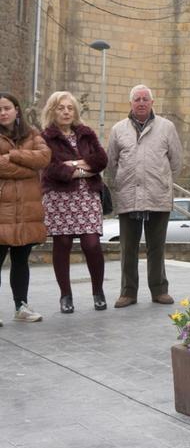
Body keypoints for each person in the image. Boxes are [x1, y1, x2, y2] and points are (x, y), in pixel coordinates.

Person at [107, 85, 184, 308]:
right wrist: (124, 180)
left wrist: (161, 180)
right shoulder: (118, 129)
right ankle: (128, 292)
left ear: (152, 103)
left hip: (157, 196)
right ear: (130, 104)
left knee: (156, 247)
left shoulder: (167, 127)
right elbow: (111, 163)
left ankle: (159, 290)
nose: (141, 102)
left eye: (145, 99)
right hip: (128, 197)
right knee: (128, 248)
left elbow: (176, 161)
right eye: (137, 99)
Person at [40, 91, 108, 314]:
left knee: (92, 244)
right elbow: (50, 168)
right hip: (59, 198)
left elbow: (101, 160)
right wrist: (81, 170)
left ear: (75, 111)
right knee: (63, 245)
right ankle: (65, 296)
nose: (66, 112)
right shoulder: (45, 138)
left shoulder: (86, 133)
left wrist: (73, 163)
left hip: (87, 196)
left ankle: (98, 292)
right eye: (61, 108)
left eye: (70, 107)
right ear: (52, 111)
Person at [0, 93, 51, 324]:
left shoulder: (31, 134)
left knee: (21, 261)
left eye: (7, 108)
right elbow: (33, 166)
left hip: (27, 210)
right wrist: (27, 167)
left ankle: (21, 307)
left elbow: (44, 157)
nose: (3, 112)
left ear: (16, 109)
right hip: (3, 210)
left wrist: (12, 155)